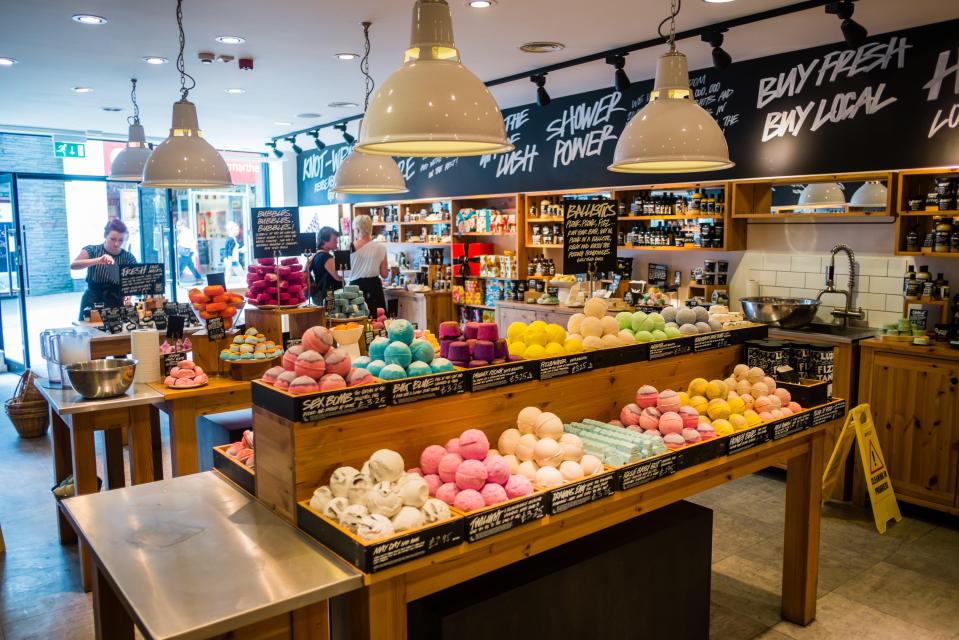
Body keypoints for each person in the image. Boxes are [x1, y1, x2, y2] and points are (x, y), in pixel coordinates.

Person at [70, 219, 138, 320]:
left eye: (120, 240)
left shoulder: (128, 257)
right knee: (89, 330)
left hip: (116, 299)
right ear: (105, 236)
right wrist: (98, 260)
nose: (116, 244)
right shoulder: (92, 250)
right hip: (93, 298)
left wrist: (129, 294)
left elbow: (135, 280)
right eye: (113, 239)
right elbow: (74, 265)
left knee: (116, 330)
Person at [349, 215, 388, 314]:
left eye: (354, 230)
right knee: (378, 319)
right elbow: (384, 274)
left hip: (355, 288)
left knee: (358, 320)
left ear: (357, 230)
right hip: (375, 287)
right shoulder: (381, 247)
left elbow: (341, 272)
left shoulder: (350, 247)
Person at [309, 226, 344, 304]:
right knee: (332, 315)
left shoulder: (317, 255)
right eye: (334, 240)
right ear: (324, 241)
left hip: (323, 294)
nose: (336, 242)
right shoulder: (325, 257)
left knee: (326, 315)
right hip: (330, 295)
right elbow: (339, 276)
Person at [176, 219, 203, 283]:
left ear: (182, 225)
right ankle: (199, 278)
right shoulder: (184, 232)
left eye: (178, 225)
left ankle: (177, 279)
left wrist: (179, 245)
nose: (177, 227)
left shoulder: (187, 232)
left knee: (181, 266)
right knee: (190, 265)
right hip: (186, 251)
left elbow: (190, 242)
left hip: (186, 251)